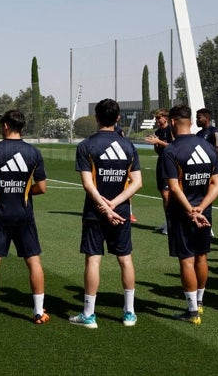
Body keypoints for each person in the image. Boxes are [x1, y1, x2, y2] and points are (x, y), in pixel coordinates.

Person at [0, 110, 49, 327]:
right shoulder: (33, 152)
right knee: (33, 261)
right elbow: (42, 188)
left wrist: (1, 189)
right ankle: (39, 312)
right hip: (24, 215)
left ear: (5, 125)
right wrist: (22, 190)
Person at [69, 99, 142, 329]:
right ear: (118, 118)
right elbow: (137, 182)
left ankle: (89, 315)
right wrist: (115, 204)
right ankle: (129, 313)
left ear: (97, 118)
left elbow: (88, 184)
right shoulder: (128, 146)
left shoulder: (86, 146)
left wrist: (103, 205)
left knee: (93, 259)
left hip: (94, 211)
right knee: (125, 259)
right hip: (120, 212)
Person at [161, 104, 218, 324]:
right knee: (202, 256)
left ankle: (192, 312)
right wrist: (202, 207)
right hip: (204, 212)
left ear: (174, 122)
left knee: (186, 260)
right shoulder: (207, 148)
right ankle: (200, 303)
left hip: (182, 213)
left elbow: (174, 187)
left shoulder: (171, 150)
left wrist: (190, 211)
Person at [145, 108, 173, 234]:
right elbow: (158, 150)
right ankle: (167, 221)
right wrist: (156, 144)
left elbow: (175, 146)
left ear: (165, 118)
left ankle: (171, 223)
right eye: (156, 118)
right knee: (163, 193)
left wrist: (158, 141)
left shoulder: (171, 130)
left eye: (158, 118)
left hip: (170, 164)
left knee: (168, 195)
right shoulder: (158, 131)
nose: (156, 120)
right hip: (161, 163)